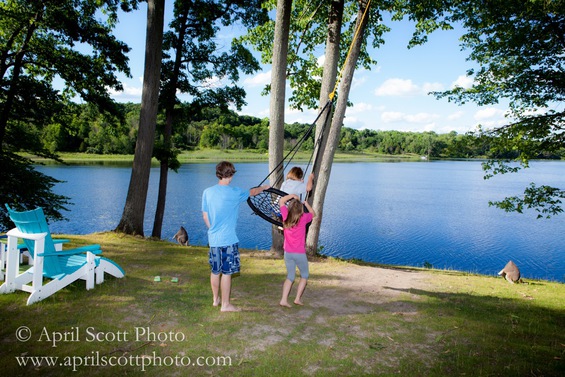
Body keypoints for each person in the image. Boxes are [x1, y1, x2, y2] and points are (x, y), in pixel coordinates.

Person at [202, 161, 269, 312]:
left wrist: (212, 229)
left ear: (218, 174)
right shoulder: (235, 192)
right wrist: (264, 188)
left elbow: (205, 215)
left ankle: (215, 300)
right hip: (229, 240)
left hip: (213, 239)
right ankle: (225, 305)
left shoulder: (207, 192)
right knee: (227, 273)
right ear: (231, 174)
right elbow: (252, 192)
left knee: (215, 271)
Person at [278, 193, 316, 308]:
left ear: (289, 208)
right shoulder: (304, 218)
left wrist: (292, 196)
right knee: (304, 275)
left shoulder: (285, 216)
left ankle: (284, 300)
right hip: (299, 254)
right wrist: (306, 204)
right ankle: (297, 299)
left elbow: (281, 201)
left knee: (290, 277)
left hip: (288, 253)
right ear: (300, 210)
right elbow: (313, 214)